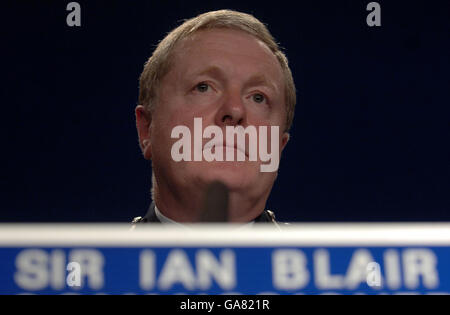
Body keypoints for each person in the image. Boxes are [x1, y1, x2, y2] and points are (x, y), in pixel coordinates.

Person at [133, 9, 296, 226]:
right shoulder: (98, 260)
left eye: (258, 97)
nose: (235, 110)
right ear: (147, 128)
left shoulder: (330, 260)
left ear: (278, 148)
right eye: (203, 87)